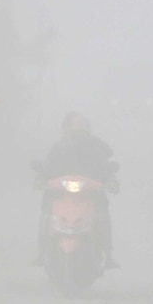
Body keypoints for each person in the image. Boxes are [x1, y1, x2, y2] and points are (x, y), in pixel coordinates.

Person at [32, 111, 119, 268]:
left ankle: (108, 256)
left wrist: (111, 181)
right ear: (68, 131)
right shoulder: (59, 148)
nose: (79, 136)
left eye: (82, 132)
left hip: (91, 194)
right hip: (60, 193)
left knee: (102, 215)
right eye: (76, 132)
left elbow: (106, 169)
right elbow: (47, 167)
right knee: (46, 215)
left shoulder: (96, 149)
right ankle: (40, 255)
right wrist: (40, 178)